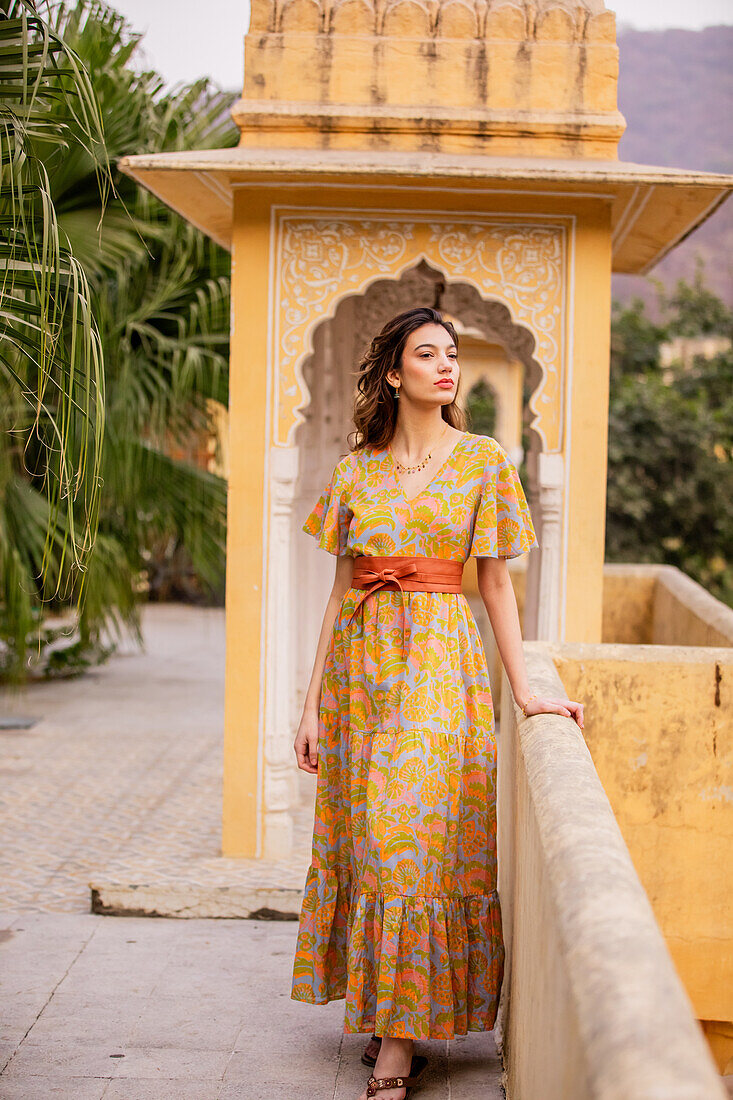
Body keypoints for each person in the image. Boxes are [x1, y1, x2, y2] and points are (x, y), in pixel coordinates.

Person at [291, 306, 584, 1100]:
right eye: (427, 354)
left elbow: (495, 583)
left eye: (452, 354)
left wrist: (523, 689)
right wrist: (312, 702)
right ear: (394, 374)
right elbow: (341, 586)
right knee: (368, 845)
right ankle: (397, 1023)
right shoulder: (355, 471)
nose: (446, 366)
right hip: (360, 674)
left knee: (406, 841)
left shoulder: (484, 461)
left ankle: (394, 1045)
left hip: (438, 669)